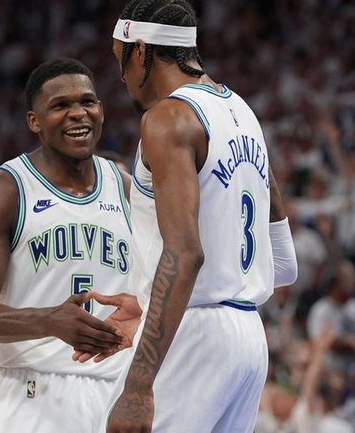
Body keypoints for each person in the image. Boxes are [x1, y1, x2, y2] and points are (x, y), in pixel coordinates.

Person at [100, 1, 298, 431]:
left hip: (195, 338)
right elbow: (284, 263)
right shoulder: (244, 114)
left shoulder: (168, 118)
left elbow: (186, 253)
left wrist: (138, 387)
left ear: (139, 51)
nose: (121, 78)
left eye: (119, 59)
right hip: (248, 338)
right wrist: (156, 300)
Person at [0, 58, 142, 432]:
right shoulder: (2, 190)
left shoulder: (124, 186)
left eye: (87, 102)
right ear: (34, 121)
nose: (78, 114)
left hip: (114, 389)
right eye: (60, 106)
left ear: (101, 110)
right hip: (30, 388)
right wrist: (49, 321)